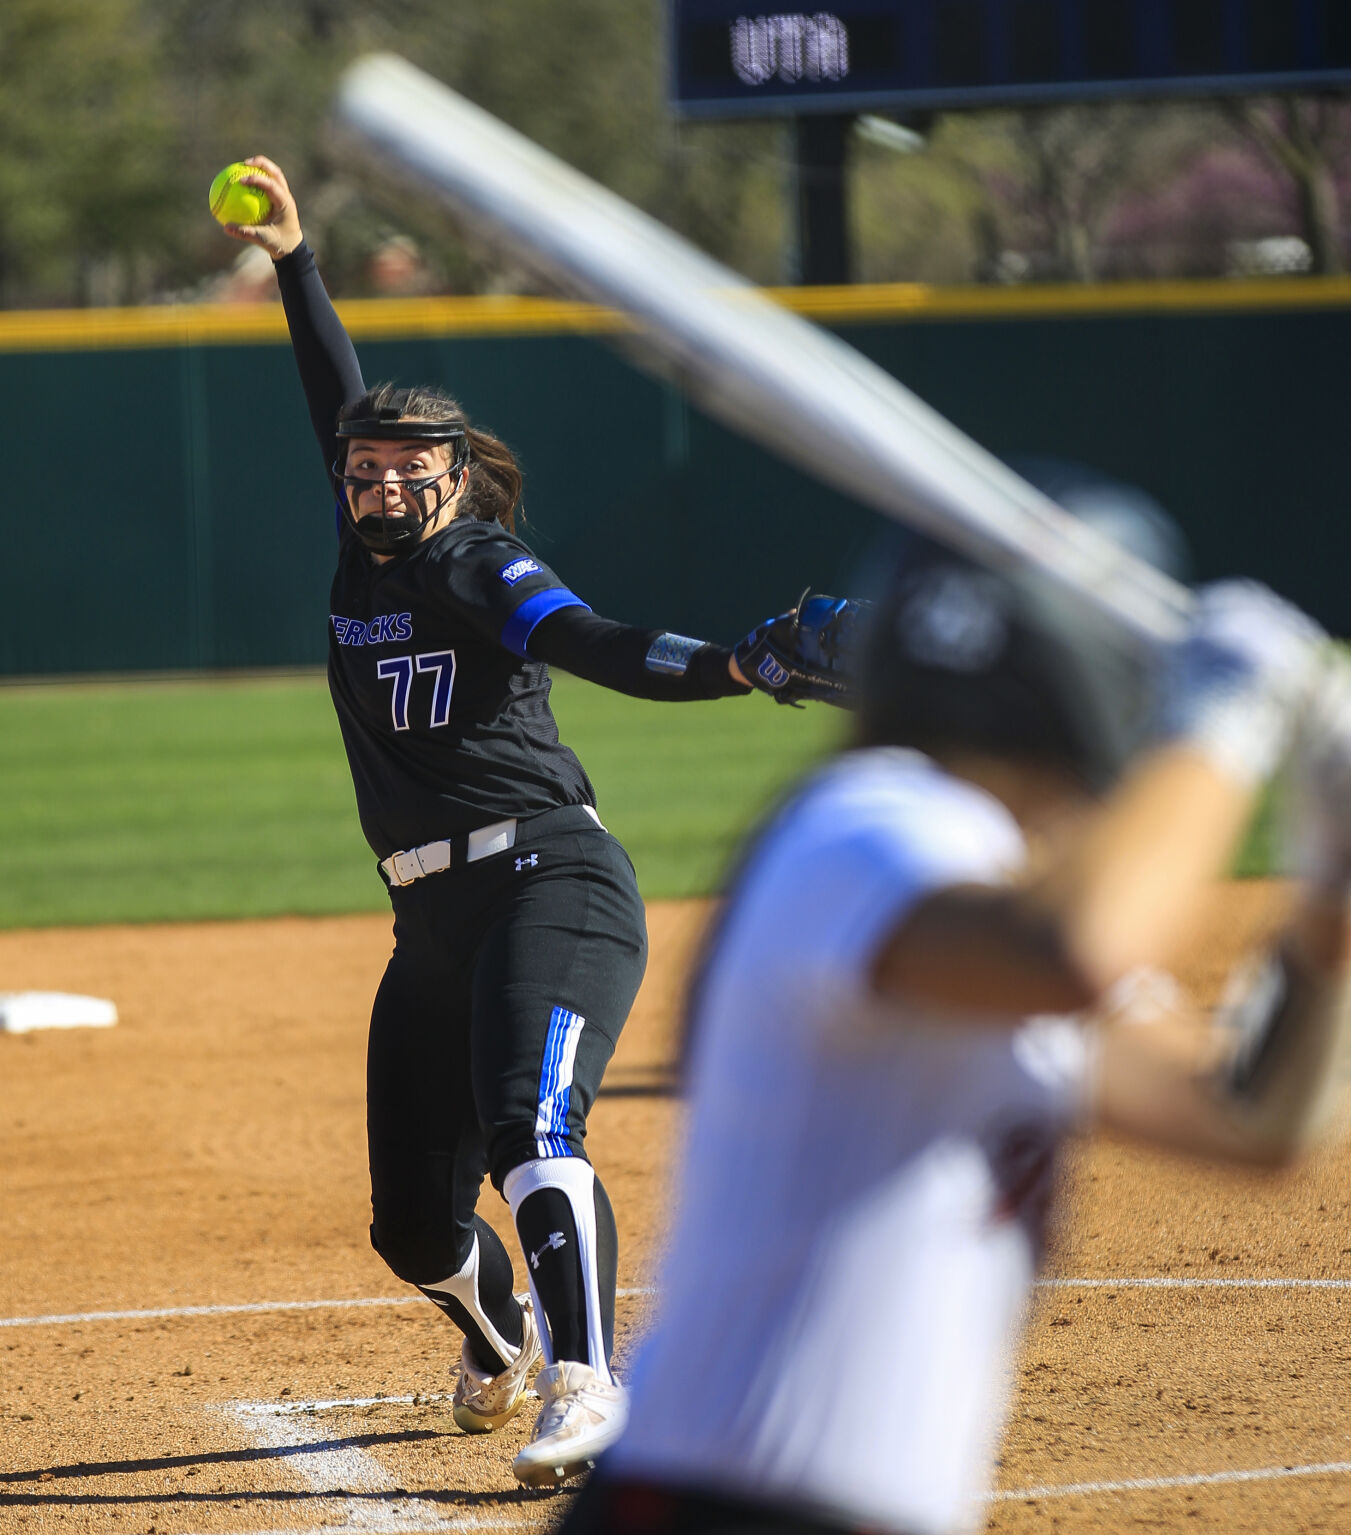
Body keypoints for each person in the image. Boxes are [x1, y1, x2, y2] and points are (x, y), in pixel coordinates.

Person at [213, 156, 851, 1488]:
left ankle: (587, 1380)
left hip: (545, 881)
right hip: (430, 924)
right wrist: (295, 262)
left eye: (410, 468)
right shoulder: (361, 552)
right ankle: (494, 1329)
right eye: (364, 470)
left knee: (531, 1130)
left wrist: (733, 664)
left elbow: (589, 639)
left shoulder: (476, 560)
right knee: (410, 1228)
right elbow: (334, 395)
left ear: (455, 479)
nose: (382, 484)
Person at [559, 528, 1351, 1535]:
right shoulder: (870, 823)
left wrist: (1329, 893)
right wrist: (1219, 725)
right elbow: (1075, 948)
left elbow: (1251, 1117)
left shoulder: (984, 895)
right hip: (710, 1507)